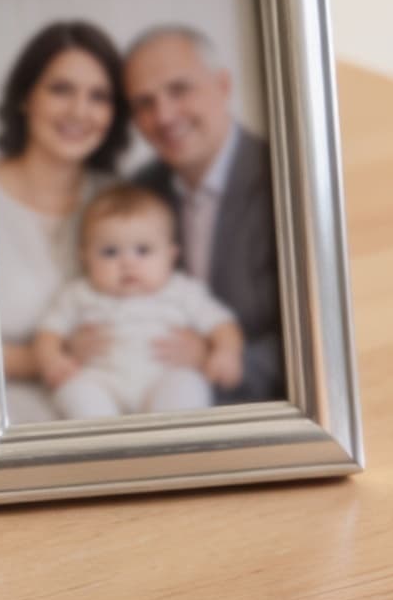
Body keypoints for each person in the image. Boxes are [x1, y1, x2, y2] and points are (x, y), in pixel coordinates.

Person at [119, 26, 286, 405]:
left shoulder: (284, 178)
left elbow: (318, 341)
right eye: (144, 103)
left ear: (223, 85)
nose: (163, 116)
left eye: (179, 90)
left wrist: (212, 360)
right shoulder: (141, 191)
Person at [0, 22, 129, 425]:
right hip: (8, 431)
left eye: (99, 96)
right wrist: (43, 359)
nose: (79, 111)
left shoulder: (124, 201)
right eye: (61, 89)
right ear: (25, 97)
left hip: (118, 422)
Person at [31, 183, 240, 419]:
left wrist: (226, 352)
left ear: (170, 255)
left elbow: (222, 323)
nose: (128, 263)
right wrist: (53, 360)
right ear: (84, 257)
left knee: (189, 385)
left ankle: (172, 445)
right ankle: (104, 444)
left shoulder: (181, 290)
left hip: (165, 377)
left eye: (143, 250)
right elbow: (49, 332)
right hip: (101, 380)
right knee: (74, 391)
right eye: (110, 252)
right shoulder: (79, 294)